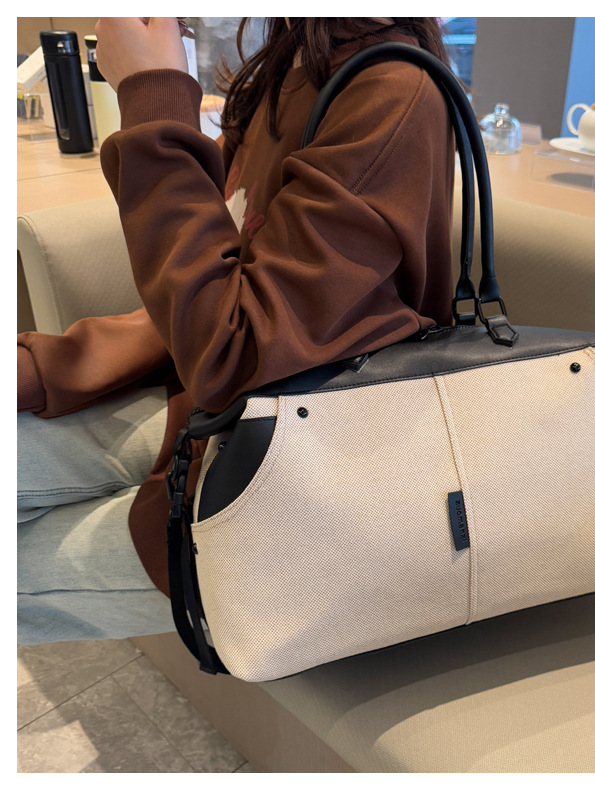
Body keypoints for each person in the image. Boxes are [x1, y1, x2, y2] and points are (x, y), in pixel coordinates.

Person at [17, 17, 455, 643]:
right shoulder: (288, 65)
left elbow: (234, 347)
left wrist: (152, 91)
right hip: (228, 416)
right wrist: (52, 367)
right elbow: (226, 294)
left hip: (313, 483)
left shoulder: (389, 87)